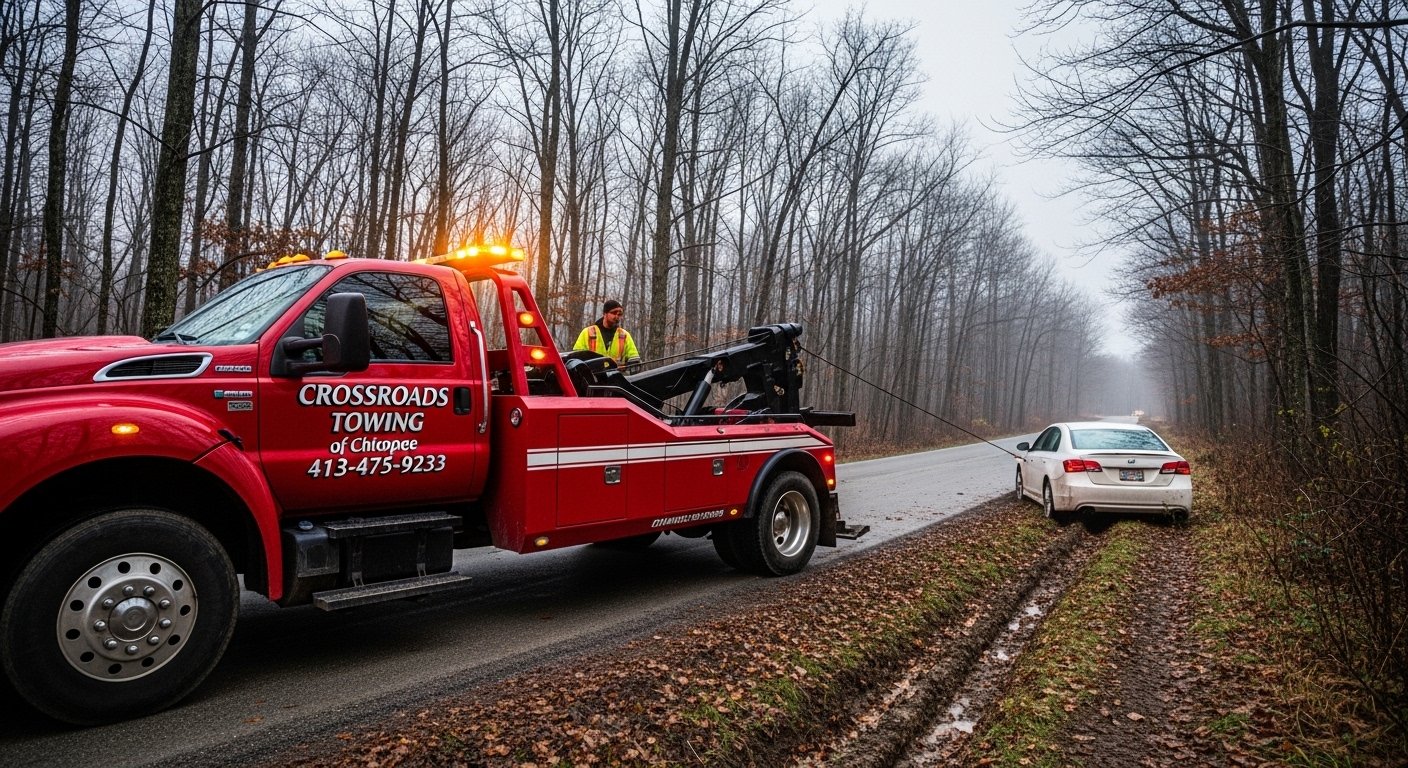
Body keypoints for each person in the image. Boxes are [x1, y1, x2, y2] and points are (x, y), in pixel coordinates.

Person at [573, 299, 640, 367]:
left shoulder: (624, 335)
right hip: (593, 373)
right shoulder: (587, 333)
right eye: (614, 313)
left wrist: (628, 366)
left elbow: (634, 359)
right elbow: (576, 358)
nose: (617, 317)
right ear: (605, 314)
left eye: (619, 314)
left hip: (617, 373)